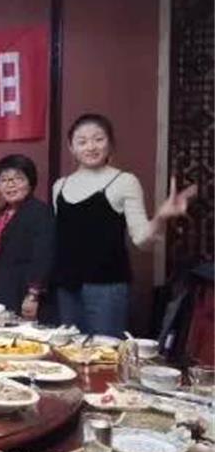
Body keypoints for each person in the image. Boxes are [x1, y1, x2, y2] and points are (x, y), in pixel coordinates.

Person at [53, 113, 197, 336]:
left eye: (98, 139)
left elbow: (142, 241)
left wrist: (160, 217)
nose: (91, 146)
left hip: (107, 288)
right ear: (71, 147)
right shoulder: (60, 186)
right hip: (67, 286)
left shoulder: (124, 182)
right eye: (82, 141)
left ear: (110, 143)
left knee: (105, 352)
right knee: (67, 349)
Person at [0, 154, 54, 320]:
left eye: (18, 178)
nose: (10, 185)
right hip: (4, 287)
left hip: (26, 291)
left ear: (30, 182)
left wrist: (33, 294)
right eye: (4, 180)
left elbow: (44, 255)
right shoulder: (3, 212)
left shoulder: (39, 212)